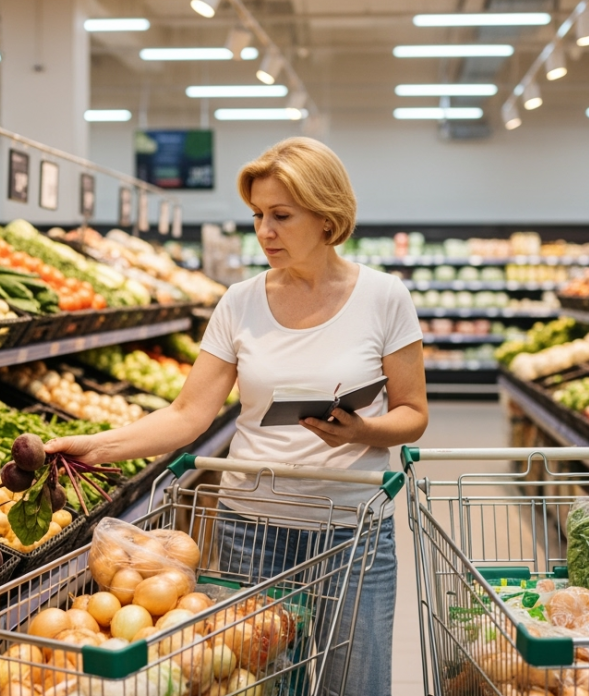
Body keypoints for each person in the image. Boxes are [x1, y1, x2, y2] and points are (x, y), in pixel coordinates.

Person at [46, 136, 427, 695]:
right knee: (255, 685)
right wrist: (96, 446)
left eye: (281, 215)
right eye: (256, 216)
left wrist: (364, 430)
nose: (264, 231)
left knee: (356, 685)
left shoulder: (384, 298)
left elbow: (413, 413)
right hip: (253, 530)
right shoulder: (239, 301)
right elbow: (186, 414)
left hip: (352, 533)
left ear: (327, 217)